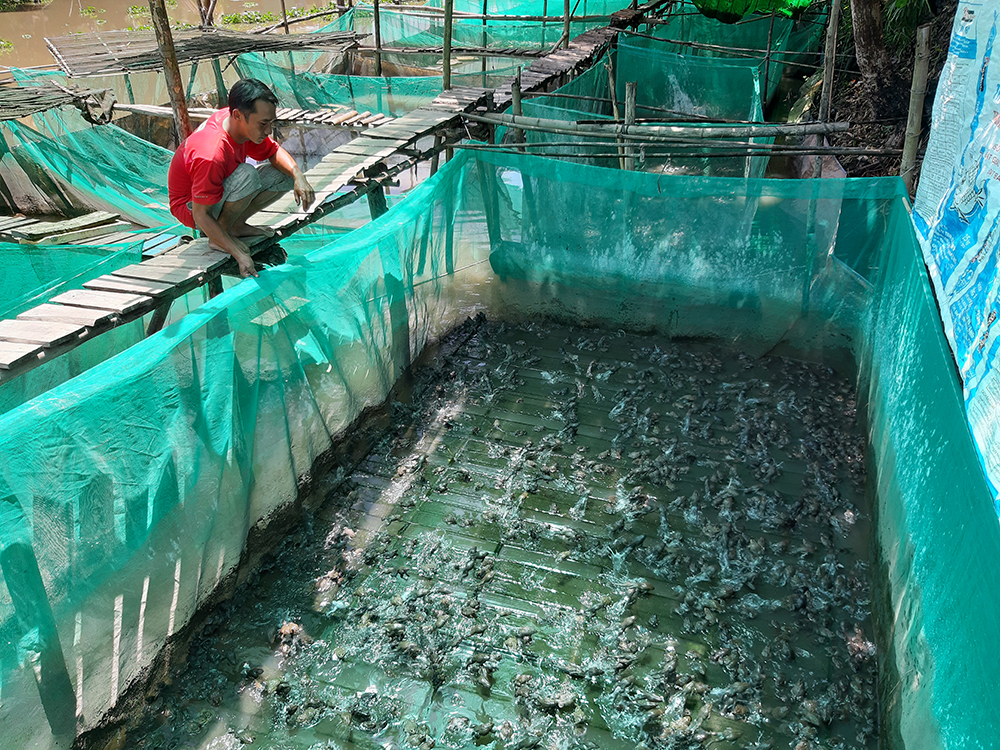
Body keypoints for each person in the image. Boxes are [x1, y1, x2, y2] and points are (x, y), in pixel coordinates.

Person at [168, 78, 315, 278]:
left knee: (285, 175)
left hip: (218, 192)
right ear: (238, 115)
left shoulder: (239, 126)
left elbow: (273, 151)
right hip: (192, 208)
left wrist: (299, 175)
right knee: (247, 174)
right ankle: (219, 234)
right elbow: (200, 215)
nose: (268, 131)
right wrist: (239, 254)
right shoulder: (211, 153)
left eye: (270, 123)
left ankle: (234, 226)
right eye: (263, 124)